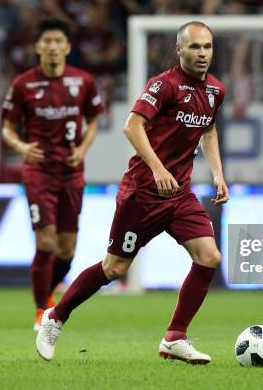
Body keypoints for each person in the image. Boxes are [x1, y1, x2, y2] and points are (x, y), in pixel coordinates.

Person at [36, 21, 229, 364]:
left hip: (179, 194)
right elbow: (132, 126)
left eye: (208, 47)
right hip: (142, 193)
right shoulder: (164, 85)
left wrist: (218, 174)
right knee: (114, 269)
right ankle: (56, 316)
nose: (202, 54)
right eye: (195, 47)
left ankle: (174, 337)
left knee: (209, 257)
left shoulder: (215, 90)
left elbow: (209, 129)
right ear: (179, 50)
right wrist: (157, 167)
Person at [1, 18, 104, 330]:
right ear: (38, 47)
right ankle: (40, 309)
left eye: (58, 41)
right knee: (45, 242)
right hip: (39, 172)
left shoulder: (83, 81)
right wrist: (21, 147)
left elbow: (94, 120)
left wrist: (83, 149)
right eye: (47, 41)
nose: (53, 46)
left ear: (68, 47)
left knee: (67, 250)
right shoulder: (23, 84)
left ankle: (47, 294)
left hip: (72, 172)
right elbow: (7, 128)